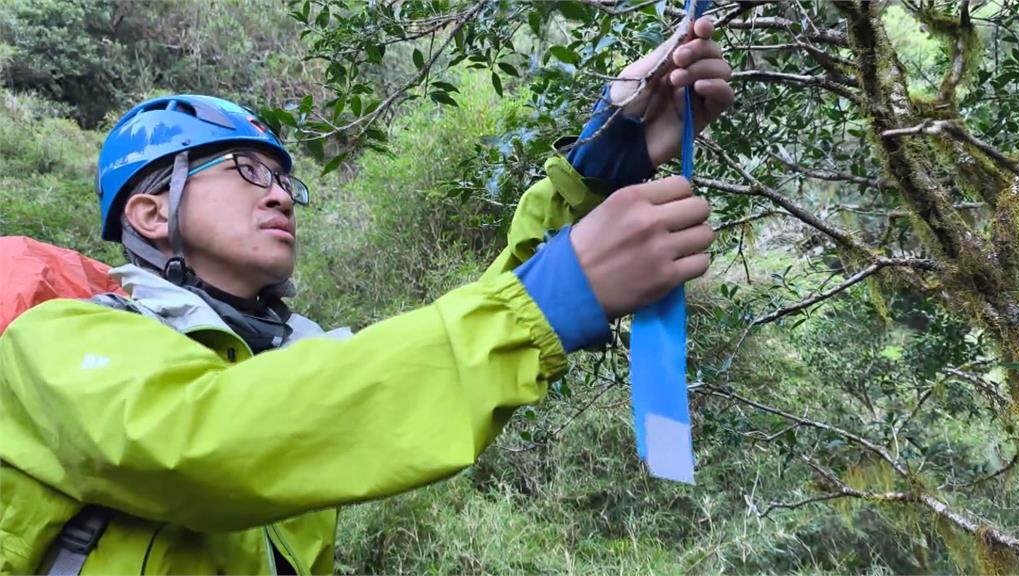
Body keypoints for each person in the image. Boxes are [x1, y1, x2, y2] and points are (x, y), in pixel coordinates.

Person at [0, 18, 734, 574]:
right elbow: (196, 440)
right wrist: (546, 300)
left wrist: (601, 161)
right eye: (245, 171)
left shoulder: (298, 368)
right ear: (151, 212)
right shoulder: (58, 341)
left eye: (286, 180)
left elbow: (440, 345)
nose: (281, 195)